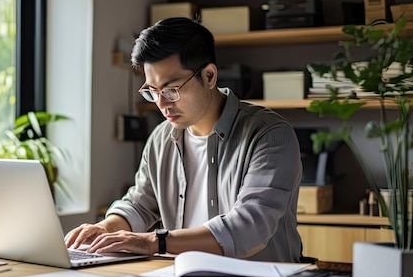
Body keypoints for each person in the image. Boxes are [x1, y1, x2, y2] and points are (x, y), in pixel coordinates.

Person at [65, 17, 303, 262]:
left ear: (209, 76)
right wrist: (107, 228)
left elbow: (249, 228)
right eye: (152, 91)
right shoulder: (161, 139)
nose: (161, 103)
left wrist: (153, 242)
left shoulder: (269, 135)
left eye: (171, 89)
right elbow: (140, 205)